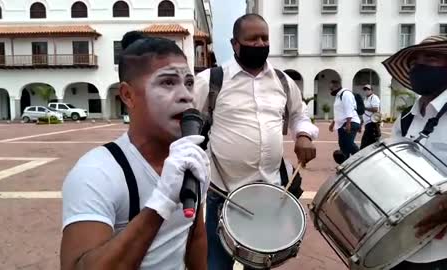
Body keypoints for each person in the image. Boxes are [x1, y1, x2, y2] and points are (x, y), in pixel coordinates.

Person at [60, 31, 210, 270]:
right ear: (128, 95)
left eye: (189, 83)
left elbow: (195, 236)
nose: (185, 96)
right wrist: (161, 203)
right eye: (168, 82)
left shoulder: (192, 160)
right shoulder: (96, 173)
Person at [193, 14, 319, 270]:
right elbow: (187, 125)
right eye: (252, 39)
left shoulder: (283, 82)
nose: (260, 44)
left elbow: (298, 115)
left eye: (265, 38)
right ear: (235, 44)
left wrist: (303, 135)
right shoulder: (211, 81)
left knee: (261, 263)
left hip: (269, 191)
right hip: (223, 192)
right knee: (216, 265)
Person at [382, 35, 447, 270]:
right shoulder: (405, 121)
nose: (420, 65)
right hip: (406, 250)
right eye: (415, 61)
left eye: (431, 58)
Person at [328, 79, 361, 160]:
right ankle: (344, 163)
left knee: (348, 144)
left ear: (337, 87)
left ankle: (360, 159)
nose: (330, 91)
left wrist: (348, 123)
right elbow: (338, 112)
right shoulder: (338, 96)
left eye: (331, 89)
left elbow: (348, 109)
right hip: (342, 124)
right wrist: (333, 123)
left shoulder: (346, 94)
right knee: (342, 144)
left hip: (351, 122)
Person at [360, 84, 381, 149]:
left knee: (365, 143)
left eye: (368, 89)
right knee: (370, 143)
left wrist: (365, 108)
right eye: (365, 90)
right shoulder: (366, 99)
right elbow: (364, 112)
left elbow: (375, 109)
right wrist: (361, 124)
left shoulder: (374, 97)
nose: (366, 91)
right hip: (367, 123)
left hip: (372, 123)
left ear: (371, 90)